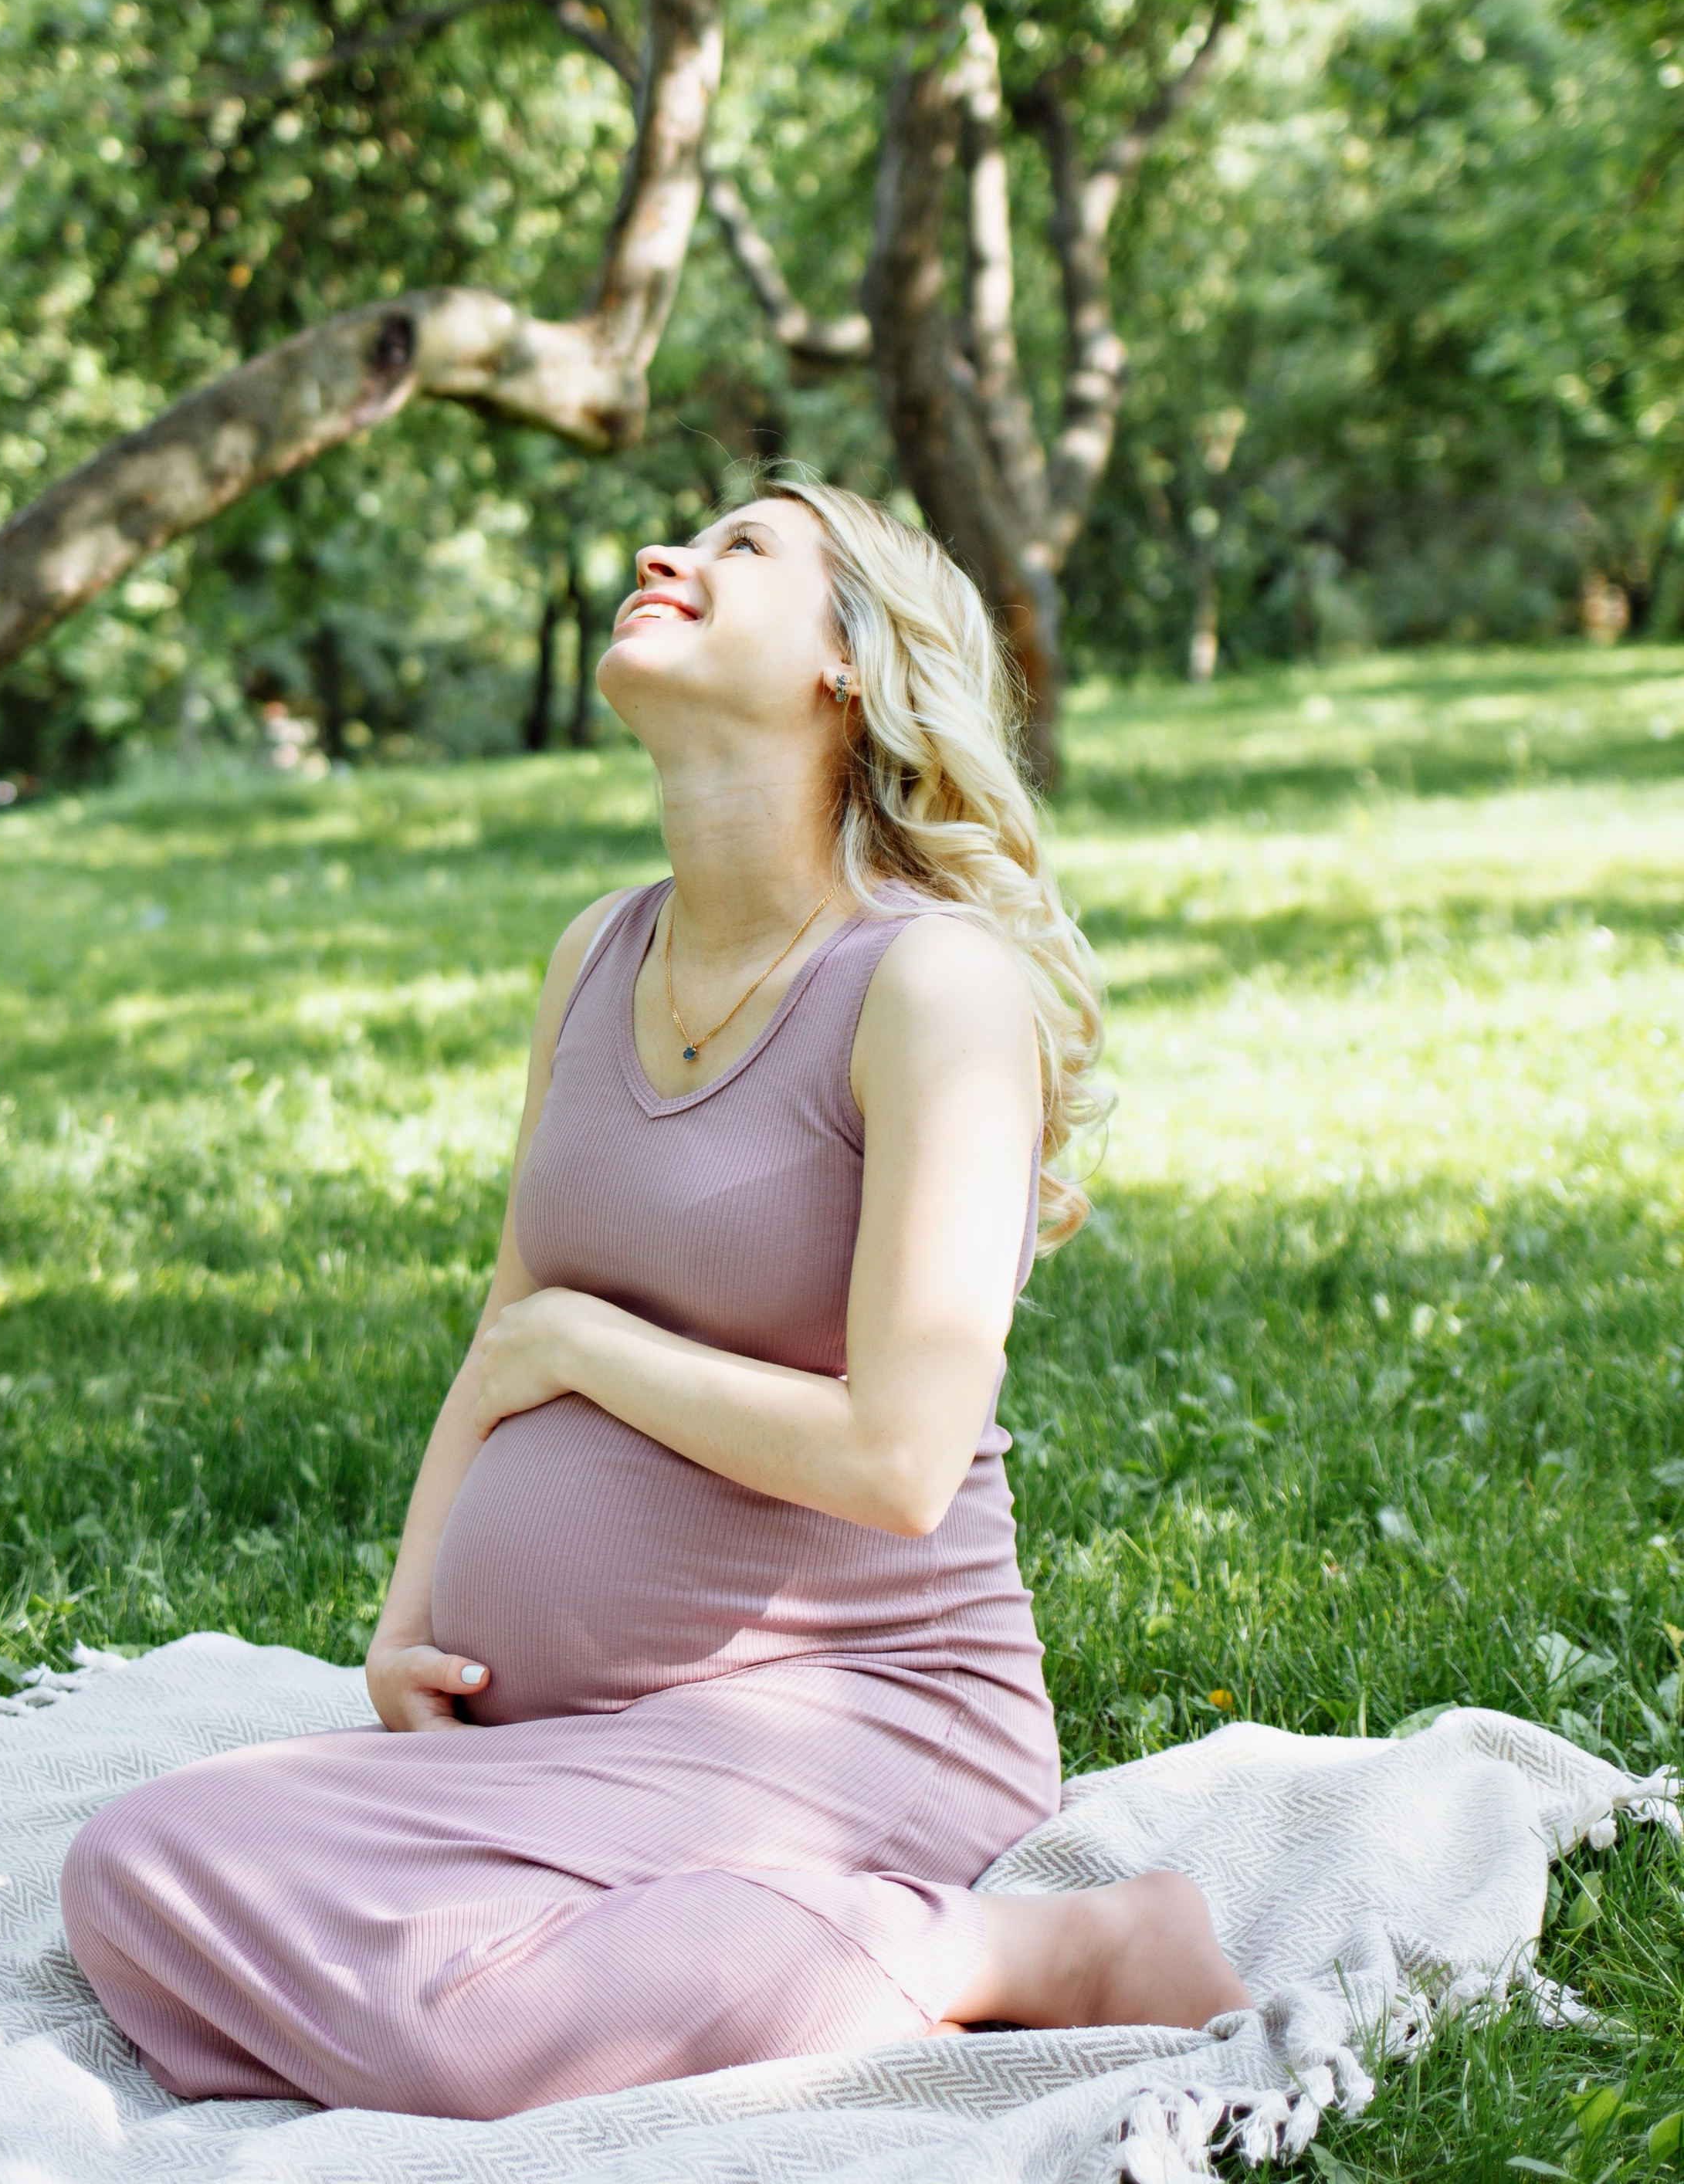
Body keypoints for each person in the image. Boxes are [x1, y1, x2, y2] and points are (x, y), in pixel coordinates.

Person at [61, 472, 1248, 2119]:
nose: (660, 556)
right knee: (141, 1866)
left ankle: (1034, 1956)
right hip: (576, 1747)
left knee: (475, 2025)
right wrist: (407, 1615)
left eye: (737, 547)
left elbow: (896, 1460)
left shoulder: (925, 988)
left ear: (847, 663)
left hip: (857, 1718)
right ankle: (714, 1957)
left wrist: (587, 1349)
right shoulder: (597, 952)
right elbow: (508, 1327)